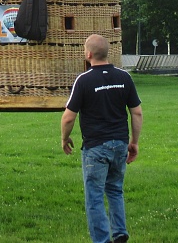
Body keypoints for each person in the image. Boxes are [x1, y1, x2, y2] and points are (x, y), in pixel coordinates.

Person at [61, 34, 142, 243]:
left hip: (95, 147)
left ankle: (102, 240)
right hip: (120, 144)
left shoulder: (84, 80)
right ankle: (120, 233)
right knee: (115, 189)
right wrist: (134, 142)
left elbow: (68, 117)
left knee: (94, 197)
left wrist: (65, 138)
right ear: (107, 52)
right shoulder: (124, 77)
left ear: (88, 54)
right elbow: (137, 112)